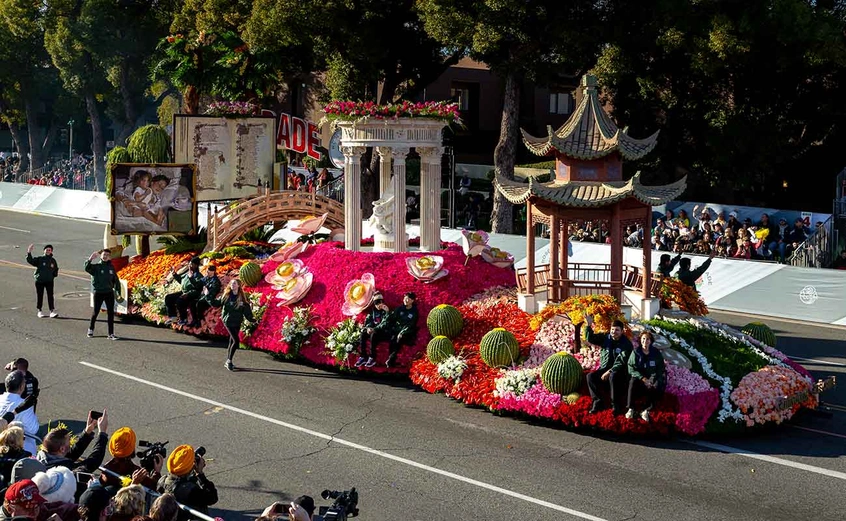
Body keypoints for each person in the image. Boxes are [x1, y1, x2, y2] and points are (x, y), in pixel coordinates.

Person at [585, 318, 633, 415]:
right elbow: (591, 338)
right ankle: (598, 402)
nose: (614, 332)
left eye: (617, 330)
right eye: (612, 329)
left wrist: (609, 371)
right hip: (605, 369)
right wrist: (588, 325)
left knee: (613, 375)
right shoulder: (605, 338)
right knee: (590, 376)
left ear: (622, 331)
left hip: (620, 372)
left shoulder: (626, 344)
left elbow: (621, 362)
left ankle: (616, 405)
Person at [157, 445, 217, 521]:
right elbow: (212, 498)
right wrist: (200, 474)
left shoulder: (163, 481)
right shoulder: (190, 491)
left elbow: (182, 481)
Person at [37, 410, 109, 474]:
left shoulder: (42, 459)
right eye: (69, 440)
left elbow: (70, 455)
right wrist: (102, 433)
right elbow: (91, 463)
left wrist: (87, 432)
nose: (71, 442)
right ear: (62, 449)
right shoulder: (65, 471)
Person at [211, 279, 255, 371]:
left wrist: (253, 320)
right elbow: (216, 304)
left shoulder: (242, 298)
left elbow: (246, 312)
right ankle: (229, 361)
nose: (232, 285)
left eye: (234, 283)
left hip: (237, 321)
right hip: (228, 321)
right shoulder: (226, 296)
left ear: (238, 286)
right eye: (231, 283)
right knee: (236, 341)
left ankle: (228, 360)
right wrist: (208, 295)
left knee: (231, 341)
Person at [622, 331, 666, 422]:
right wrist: (643, 378)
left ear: (651, 341)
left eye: (648, 339)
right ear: (640, 340)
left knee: (658, 384)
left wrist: (652, 379)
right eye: (643, 339)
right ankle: (631, 408)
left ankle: (646, 410)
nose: (645, 341)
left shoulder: (656, 353)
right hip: (640, 378)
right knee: (632, 381)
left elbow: (660, 368)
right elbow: (631, 368)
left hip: (651, 378)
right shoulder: (636, 352)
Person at [85, 249, 121, 340]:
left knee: (110, 313)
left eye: (107, 255)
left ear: (109, 257)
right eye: (104, 254)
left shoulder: (111, 267)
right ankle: (91, 329)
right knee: (96, 312)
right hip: (99, 292)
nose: (105, 256)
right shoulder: (96, 267)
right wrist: (90, 259)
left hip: (109, 292)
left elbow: (116, 279)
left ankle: (111, 333)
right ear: (101, 256)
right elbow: (87, 268)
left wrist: (118, 291)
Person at [0, 372, 39, 455]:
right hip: (21, 452)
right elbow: (33, 429)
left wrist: (16, 411)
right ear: (22, 387)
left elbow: (3, 421)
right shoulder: (24, 404)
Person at [354, 293, 391, 369]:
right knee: (363, 334)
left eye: (381, 302)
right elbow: (368, 322)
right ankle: (363, 356)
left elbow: (385, 323)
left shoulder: (386, 311)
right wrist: (368, 328)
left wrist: (387, 312)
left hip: (383, 332)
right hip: (373, 330)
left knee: (373, 335)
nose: (379, 304)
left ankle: (372, 357)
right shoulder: (372, 312)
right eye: (377, 302)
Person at [384, 292, 419, 368]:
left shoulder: (414, 311)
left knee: (400, 339)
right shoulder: (399, 309)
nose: (406, 300)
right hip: (397, 331)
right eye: (405, 298)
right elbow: (392, 318)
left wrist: (402, 332)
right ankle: (391, 361)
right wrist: (387, 312)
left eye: (408, 298)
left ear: (412, 300)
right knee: (393, 339)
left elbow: (411, 325)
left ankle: (390, 360)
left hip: (408, 333)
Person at [164, 258, 203, 327]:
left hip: (191, 294)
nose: (190, 265)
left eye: (192, 264)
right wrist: (174, 274)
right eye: (190, 263)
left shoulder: (198, 276)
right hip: (184, 292)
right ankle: (173, 317)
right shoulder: (187, 273)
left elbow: (198, 289)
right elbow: (181, 281)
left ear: (196, 266)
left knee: (180, 301)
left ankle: (183, 319)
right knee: (168, 297)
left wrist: (188, 294)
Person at [26, 244, 59, 318]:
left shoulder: (53, 260)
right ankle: (39, 311)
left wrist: (52, 276)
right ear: (44, 251)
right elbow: (31, 260)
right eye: (47, 249)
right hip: (40, 281)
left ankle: (52, 311)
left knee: (50, 296)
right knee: (40, 295)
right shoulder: (40, 259)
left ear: (51, 252)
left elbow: (56, 269)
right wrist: (29, 252)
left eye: (49, 250)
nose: (48, 251)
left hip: (49, 281)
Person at [189, 264, 222, 329]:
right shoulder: (206, 278)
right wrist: (191, 278)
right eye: (207, 270)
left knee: (199, 303)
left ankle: (199, 321)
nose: (207, 272)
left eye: (209, 271)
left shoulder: (216, 281)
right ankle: (194, 320)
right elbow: (197, 285)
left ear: (213, 272)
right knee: (192, 303)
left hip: (209, 299)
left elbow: (213, 292)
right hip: (203, 297)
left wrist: (207, 292)